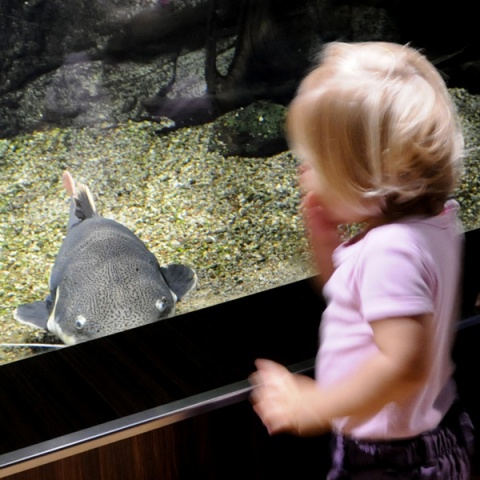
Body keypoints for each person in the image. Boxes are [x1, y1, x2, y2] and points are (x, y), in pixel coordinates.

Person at [249, 41, 475, 479]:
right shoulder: (433, 223)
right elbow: (362, 303)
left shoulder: (391, 251)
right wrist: (325, 242)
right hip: (433, 427)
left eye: (313, 162)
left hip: (391, 458)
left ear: (365, 175)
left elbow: (404, 367)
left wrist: (315, 405)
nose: (302, 174)